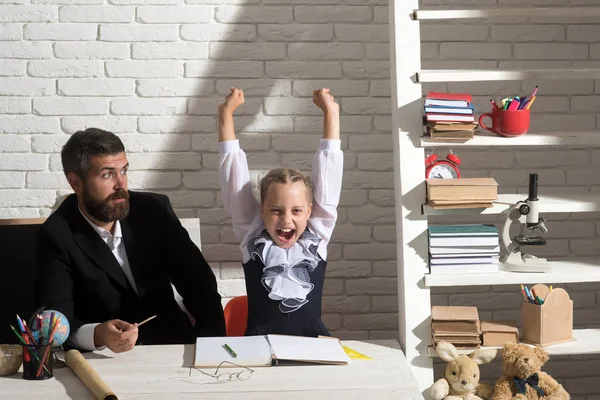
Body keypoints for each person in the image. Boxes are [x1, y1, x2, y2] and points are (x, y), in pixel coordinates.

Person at [35, 128, 226, 353]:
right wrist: (97, 334)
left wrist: (213, 347)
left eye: (123, 171)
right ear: (76, 183)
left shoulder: (154, 210)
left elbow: (200, 286)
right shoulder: (56, 234)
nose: (121, 185)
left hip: (173, 344)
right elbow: (56, 322)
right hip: (103, 358)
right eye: (107, 174)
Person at [218, 88, 343, 337]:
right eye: (276, 210)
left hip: (313, 348)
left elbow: (329, 178)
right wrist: (226, 115)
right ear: (261, 211)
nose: (286, 220)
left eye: (296, 210)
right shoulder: (252, 237)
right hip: (258, 349)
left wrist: (331, 112)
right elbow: (234, 186)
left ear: (310, 211)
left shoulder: (317, 236)